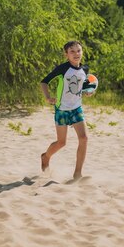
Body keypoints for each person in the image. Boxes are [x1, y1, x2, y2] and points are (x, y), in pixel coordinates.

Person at [40, 40, 93, 180]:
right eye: (72, 51)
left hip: (77, 108)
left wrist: (87, 92)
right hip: (62, 109)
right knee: (61, 142)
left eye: (79, 51)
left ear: (82, 52)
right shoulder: (62, 69)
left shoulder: (85, 69)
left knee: (84, 138)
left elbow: (82, 87)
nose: (76, 54)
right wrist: (47, 97)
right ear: (66, 55)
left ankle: (77, 173)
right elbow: (44, 82)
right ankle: (45, 157)